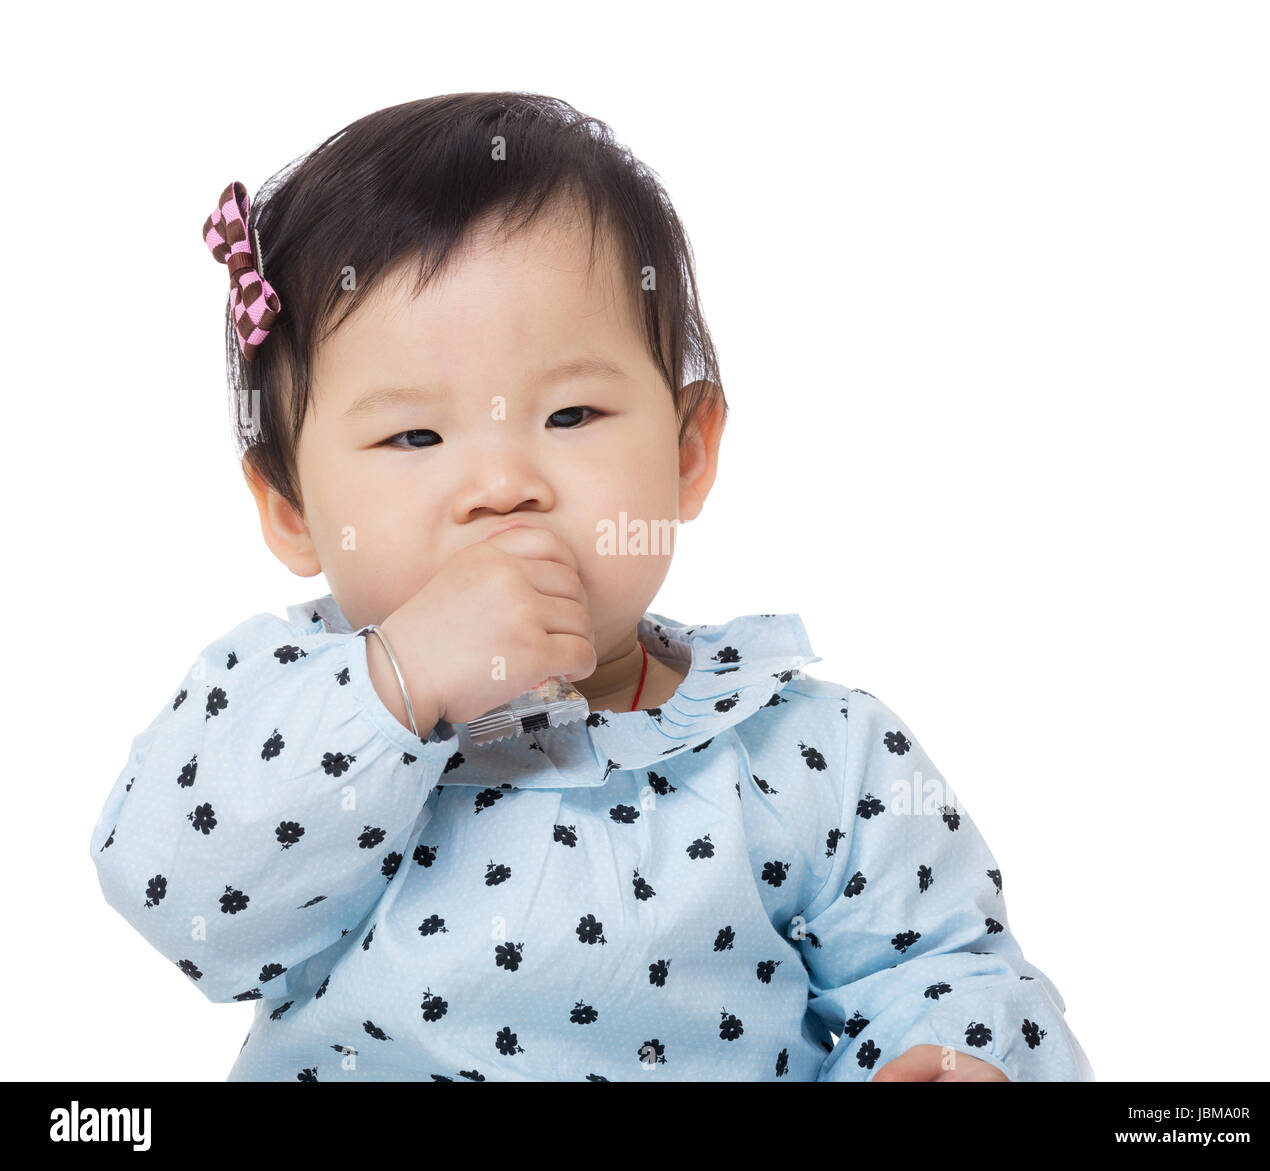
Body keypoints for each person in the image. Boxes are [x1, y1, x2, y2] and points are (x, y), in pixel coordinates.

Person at [89, 92, 1093, 1082]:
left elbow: (942, 966)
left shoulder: (801, 747)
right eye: (414, 437)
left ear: (689, 450)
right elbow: (178, 894)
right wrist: (396, 680)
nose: (502, 486)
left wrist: (947, 1054)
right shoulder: (279, 710)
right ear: (291, 508)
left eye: (569, 415)